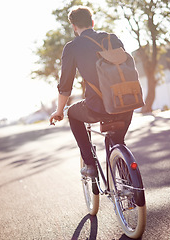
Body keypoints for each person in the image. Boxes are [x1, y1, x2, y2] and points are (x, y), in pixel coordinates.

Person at [49, 6, 133, 177]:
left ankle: (90, 165)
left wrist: (59, 111)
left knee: (72, 113)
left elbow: (65, 85)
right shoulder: (112, 39)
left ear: (74, 27)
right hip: (128, 101)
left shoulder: (72, 47)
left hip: (99, 107)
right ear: (92, 22)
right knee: (118, 140)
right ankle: (128, 185)